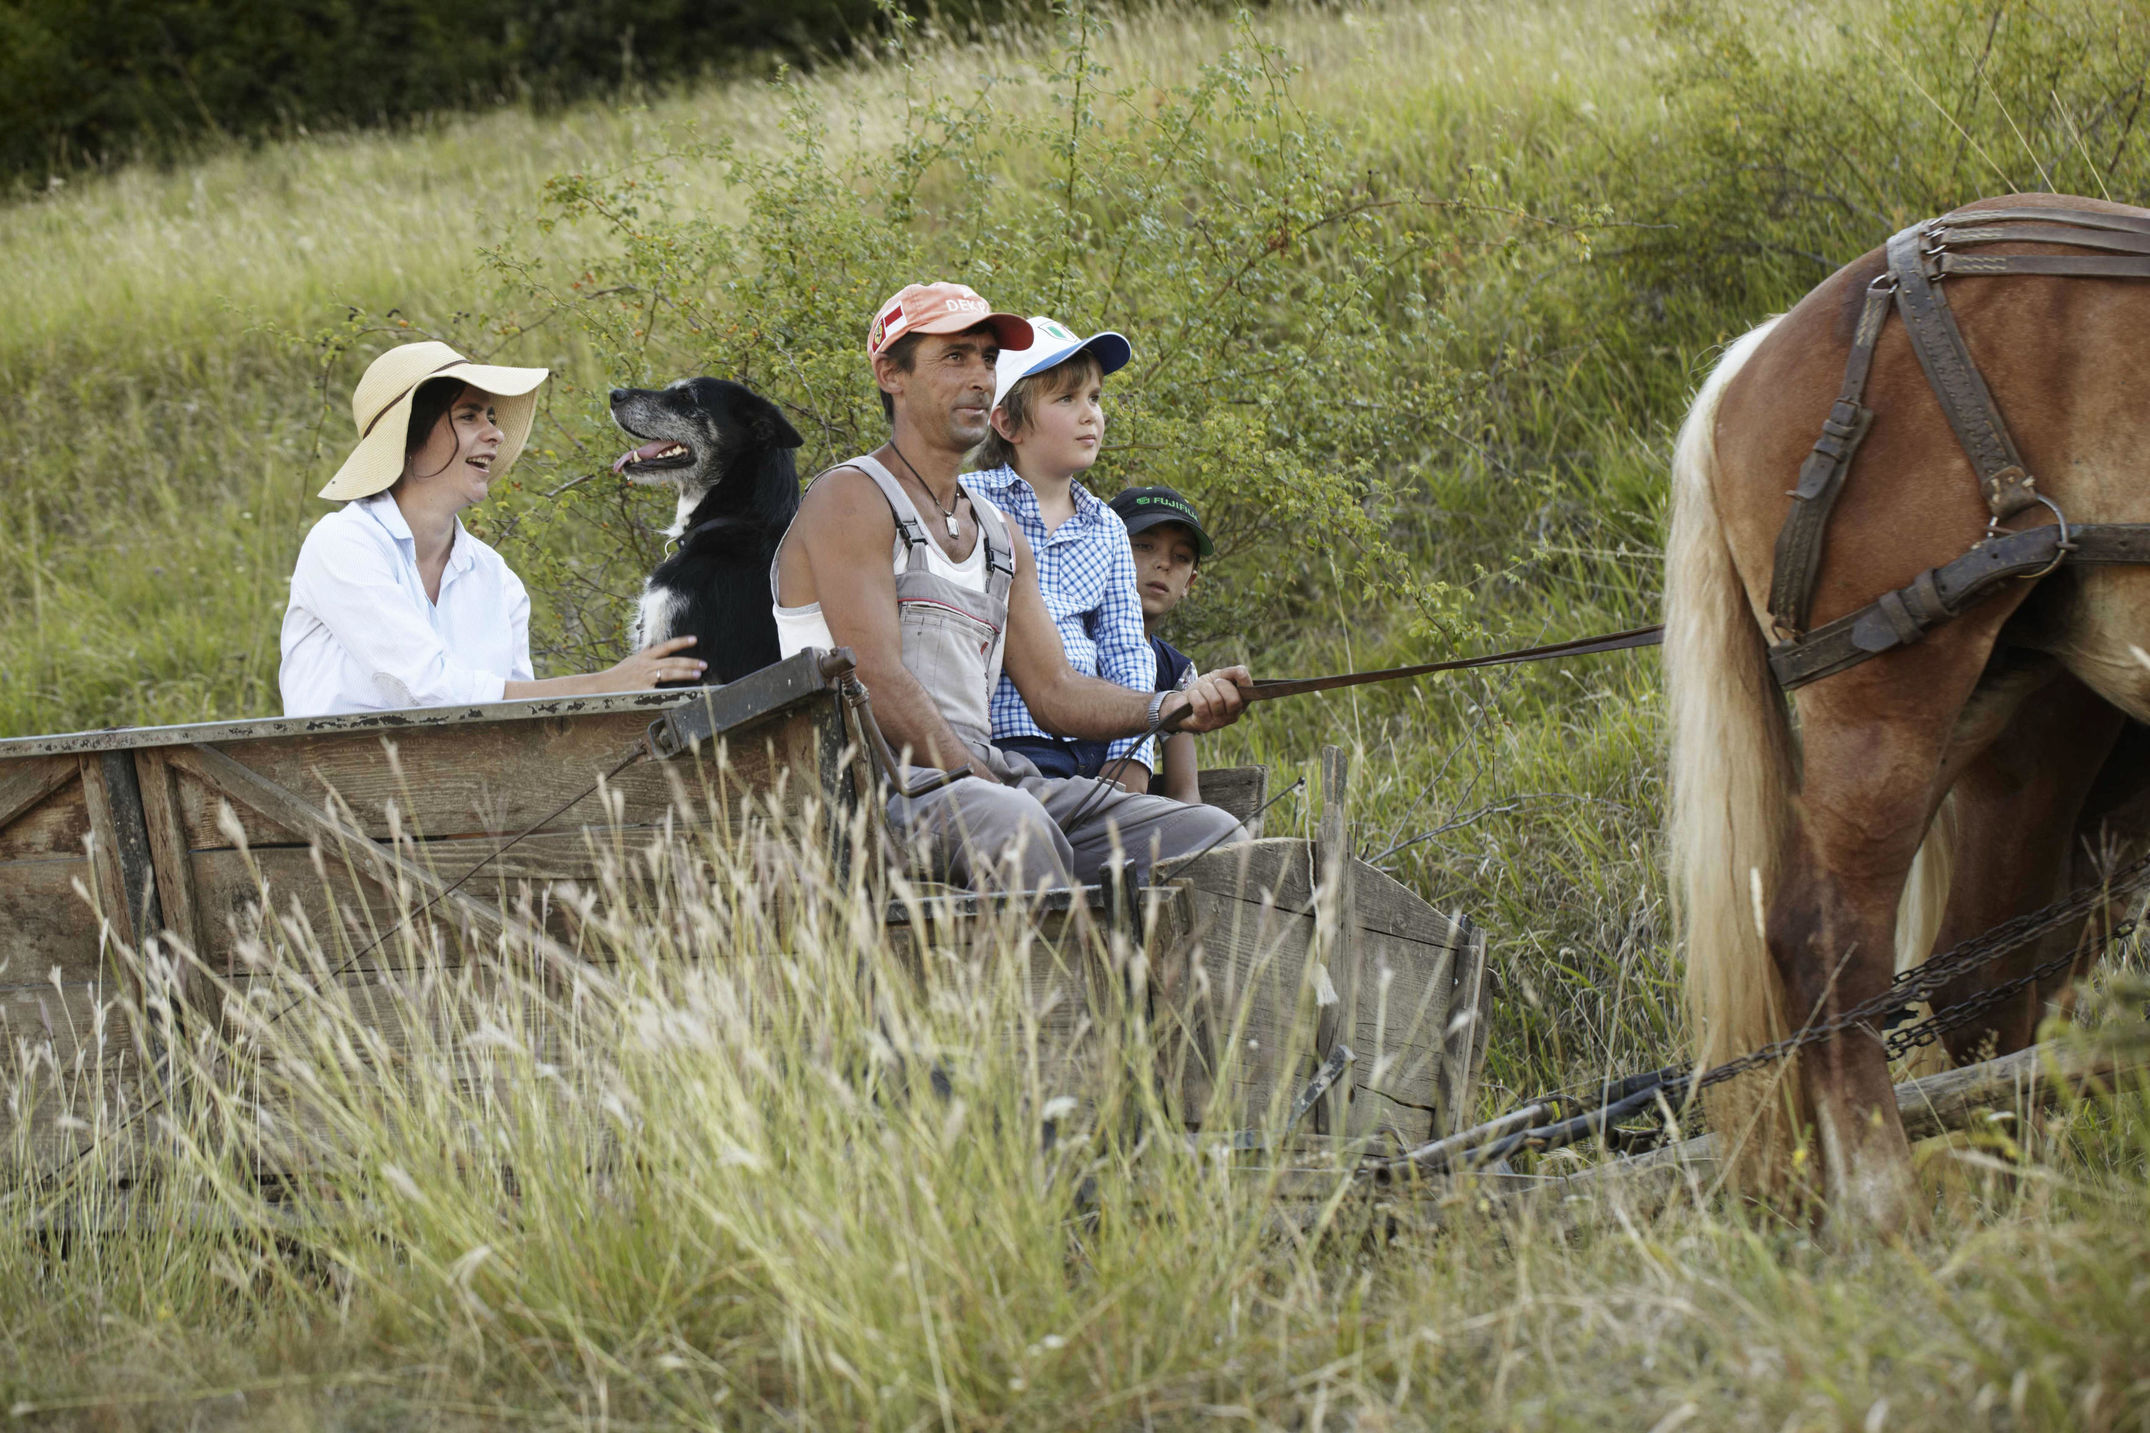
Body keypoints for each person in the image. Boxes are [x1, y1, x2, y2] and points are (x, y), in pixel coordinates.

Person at [769, 281, 1254, 891]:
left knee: (1213, 837)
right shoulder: (852, 497)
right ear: (892, 373)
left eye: (989, 359)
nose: (980, 376)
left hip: (984, 783)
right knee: (1018, 824)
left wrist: (1168, 707)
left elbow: (1055, 689)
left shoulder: (997, 533)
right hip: (872, 787)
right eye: (955, 357)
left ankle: (1186, 988)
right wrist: (983, 779)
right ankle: (1069, 990)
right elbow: (877, 677)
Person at [281, 341, 705, 716]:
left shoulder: (496, 579)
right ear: (409, 438)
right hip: (339, 798)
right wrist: (600, 686)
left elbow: (517, 727)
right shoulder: (344, 544)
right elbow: (426, 691)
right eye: (469, 417)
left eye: (491, 416)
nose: (496, 434)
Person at [971, 316, 1158, 789]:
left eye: (1094, 398)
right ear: (1008, 422)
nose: (1089, 414)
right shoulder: (971, 501)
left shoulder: (1107, 528)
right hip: (1007, 738)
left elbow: (1125, 650)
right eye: (1066, 399)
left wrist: (1129, 758)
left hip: (1093, 742)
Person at [1108, 485, 1213, 806]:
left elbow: (1184, 793)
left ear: (1189, 583)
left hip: (1128, 821)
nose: (1163, 564)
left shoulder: (1175, 670)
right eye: (1143, 545)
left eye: (1180, 557)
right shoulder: (1069, 636)